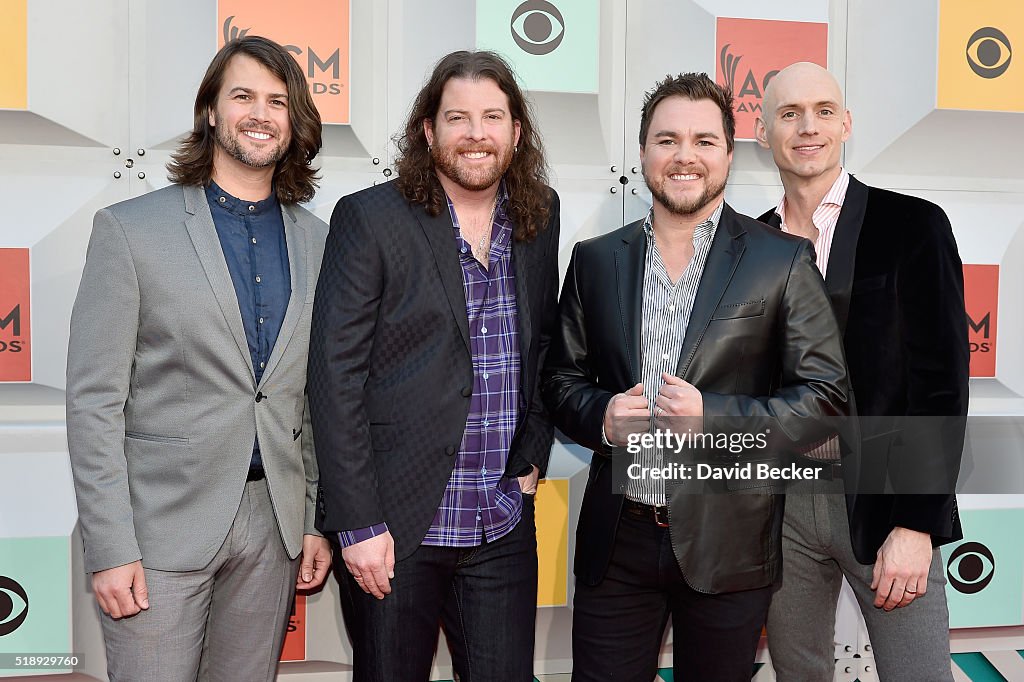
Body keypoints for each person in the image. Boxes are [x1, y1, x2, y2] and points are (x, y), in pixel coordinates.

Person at [542, 72, 850, 682]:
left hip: (730, 543)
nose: (685, 156)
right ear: (642, 153)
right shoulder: (595, 260)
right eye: (667, 140)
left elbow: (825, 401)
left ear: (730, 155)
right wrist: (600, 416)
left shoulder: (781, 259)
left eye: (704, 141)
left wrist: (714, 418)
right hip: (618, 543)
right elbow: (559, 380)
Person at [66, 35, 331, 681]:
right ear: (211, 111)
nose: (260, 114)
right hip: (158, 531)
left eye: (277, 101)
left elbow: (316, 396)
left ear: (294, 122)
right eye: (242, 96)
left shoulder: (322, 243)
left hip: (274, 527)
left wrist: (316, 517)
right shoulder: (130, 231)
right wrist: (111, 547)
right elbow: (95, 399)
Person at [308, 50, 560, 681]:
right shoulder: (371, 218)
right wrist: (358, 521)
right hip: (395, 528)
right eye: (457, 118)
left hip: (500, 519)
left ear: (516, 131)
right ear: (428, 131)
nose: (476, 133)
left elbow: (545, 345)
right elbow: (333, 377)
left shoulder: (539, 214)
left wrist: (529, 461)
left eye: (492, 117)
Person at [754, 62, 969, 681]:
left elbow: (942, 381)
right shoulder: (751, 244)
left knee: (919, 674)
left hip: (886, 501)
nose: (807, 127)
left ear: (846, 124)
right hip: (783, 510)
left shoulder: (910, 225)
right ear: (764, 133)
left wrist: (917, 523)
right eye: (788, 113)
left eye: (823, 110)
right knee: (799, 674)